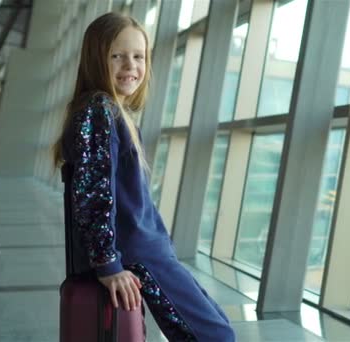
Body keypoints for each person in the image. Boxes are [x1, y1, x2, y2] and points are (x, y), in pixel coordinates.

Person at [52, 12, 235, 341]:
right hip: (139, 255)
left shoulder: (114, 113)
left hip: (151, 252)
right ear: (96, 59)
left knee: (214, 328)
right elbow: (92, 194)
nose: (130, 66)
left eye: (138, 56)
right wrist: (108, 264)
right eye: (117, 56)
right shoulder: (98, 110)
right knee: (215, 336)